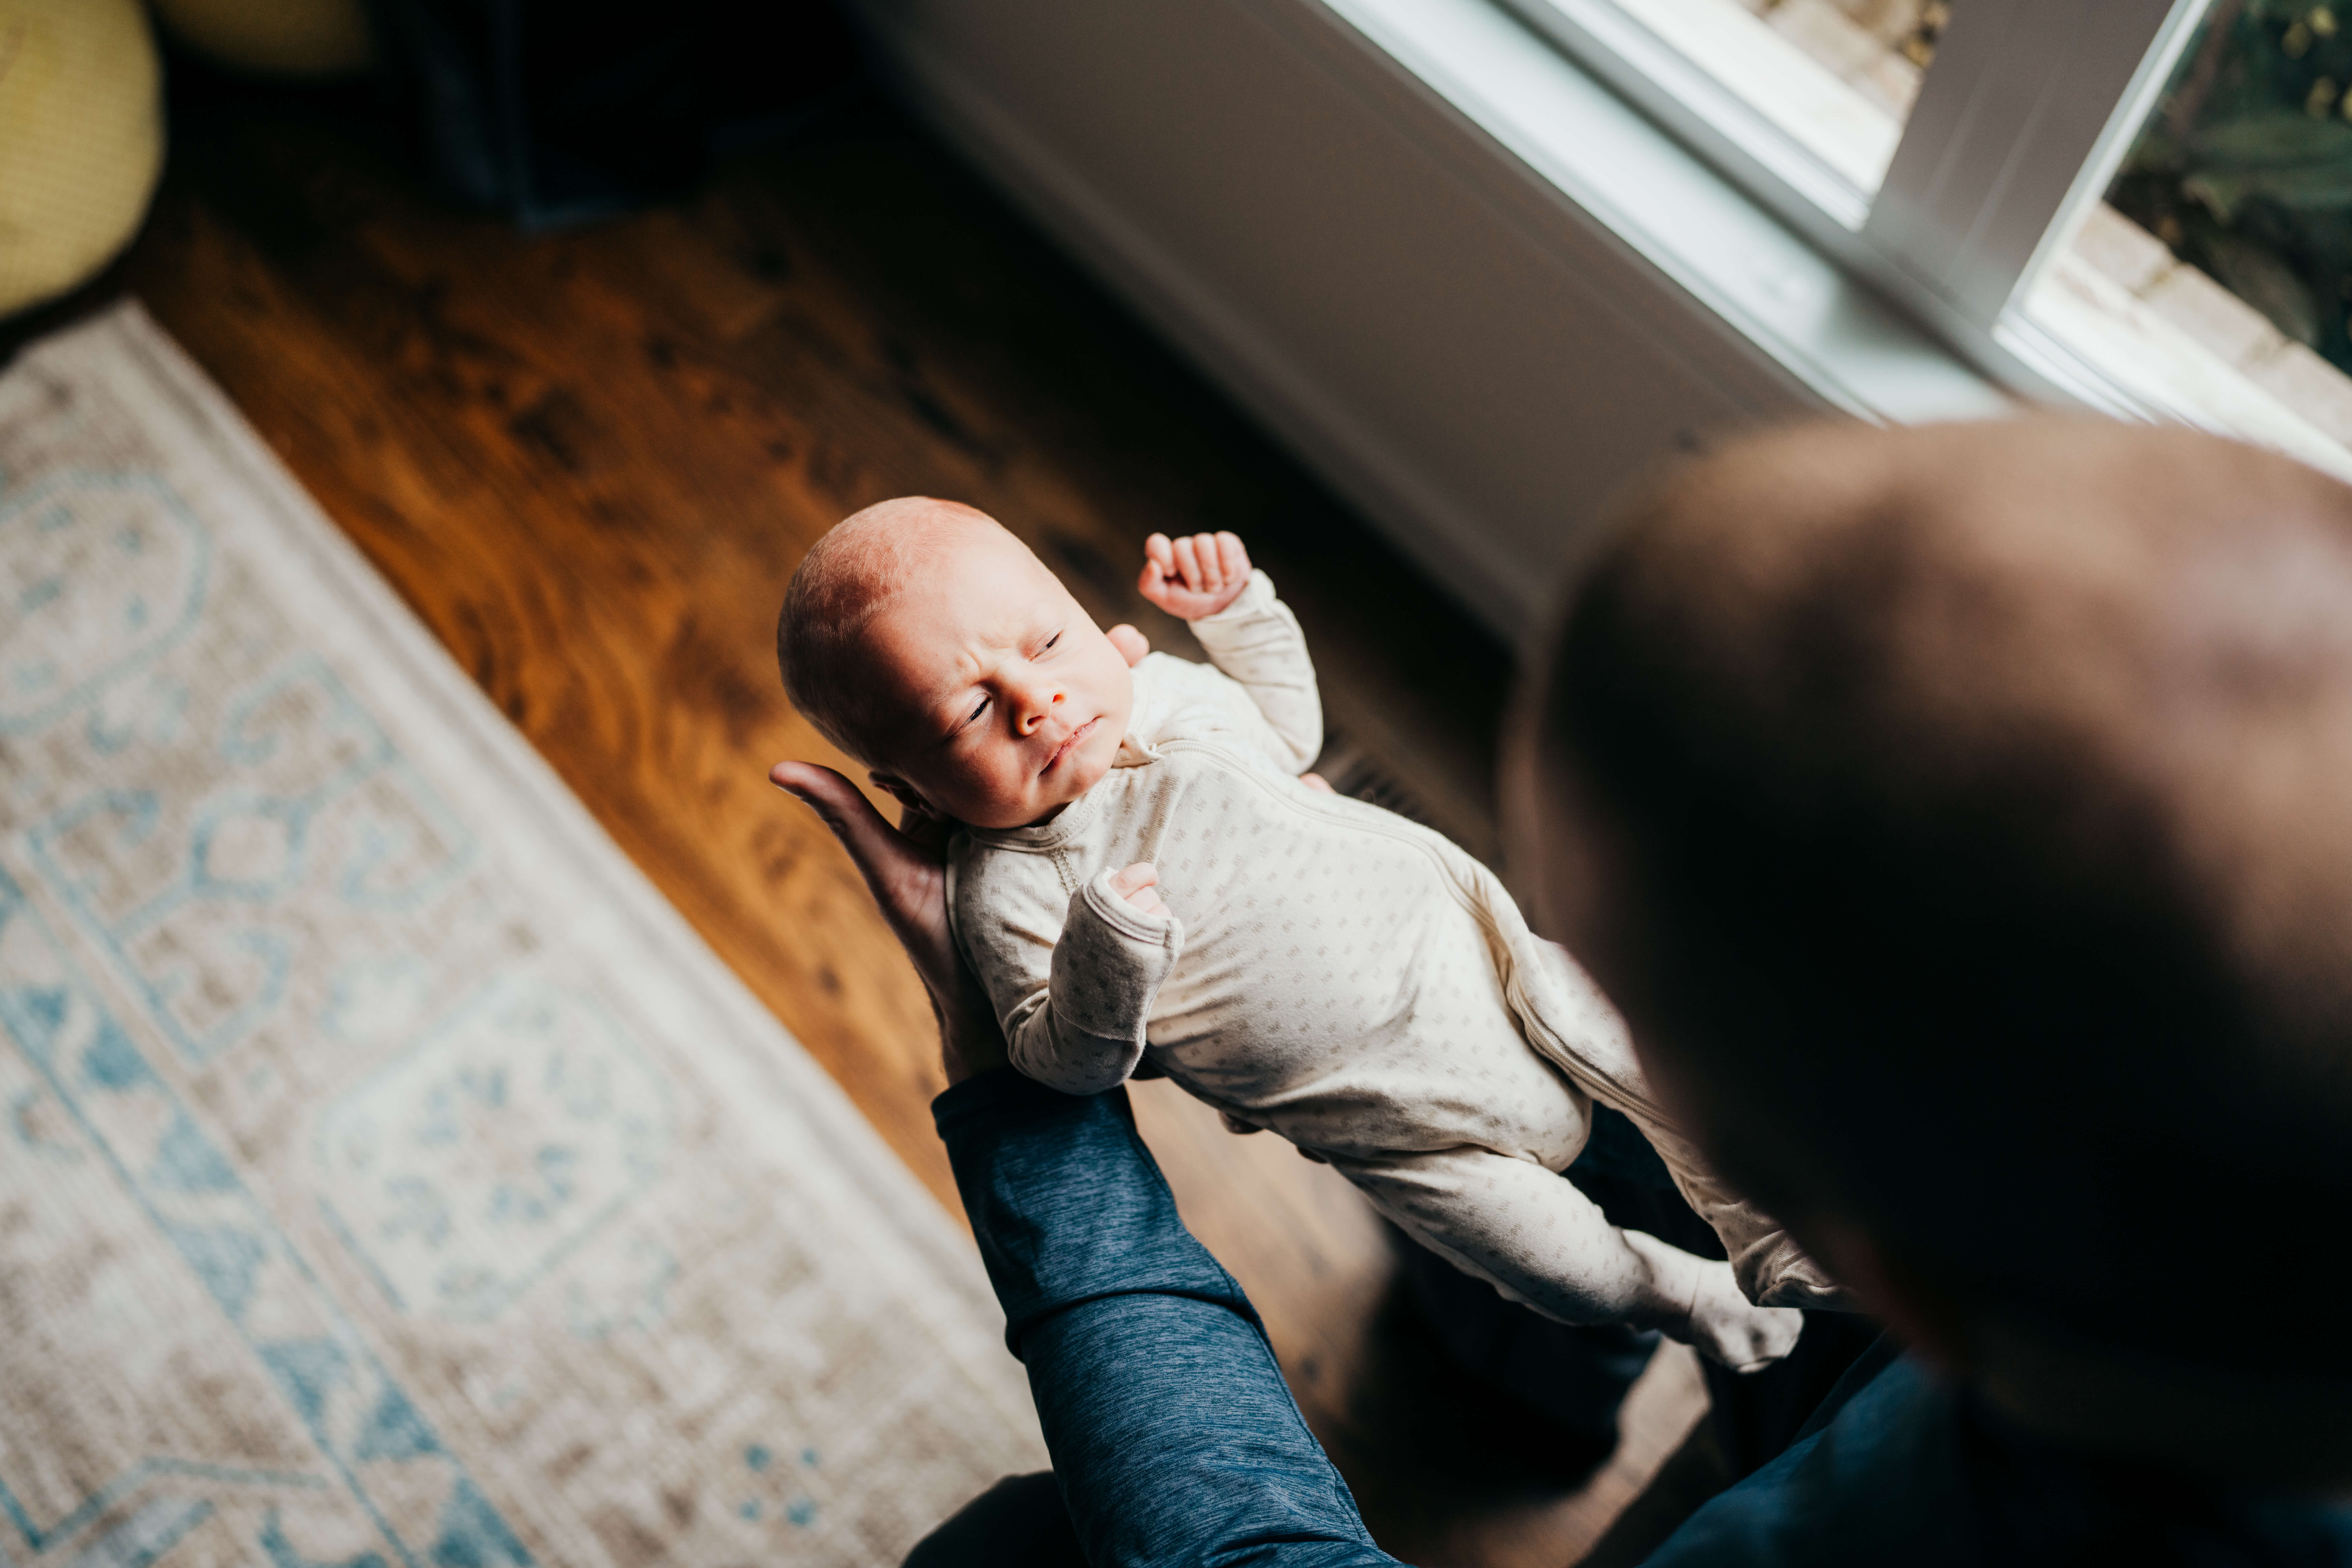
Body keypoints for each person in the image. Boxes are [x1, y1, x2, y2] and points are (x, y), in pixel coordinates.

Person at [774, 415, 2352, 1565]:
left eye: (1662, 992)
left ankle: (1562, 1370)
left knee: (1006, 1561)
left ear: (1889, 1269)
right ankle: (1533, 1386)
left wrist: (1004, 1099)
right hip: (1440, 1122)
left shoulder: (1840, 1531)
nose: (1041, 695)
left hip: (1621, 1216)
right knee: (1547, 1219)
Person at [772, 497, 1816, 1372]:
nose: (1037, 703)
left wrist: (1240, 616)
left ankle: (1777, 1225)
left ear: (1083, 618)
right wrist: (1105, 959)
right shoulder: (1006, 893)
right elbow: (1063, 1064)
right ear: (908, 789)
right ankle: (1676, 1295)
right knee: (1552, 1268)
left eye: (1046, 642)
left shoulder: (1162, 692)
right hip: (1392, 1125)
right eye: (967, 716)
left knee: (1667, 1076)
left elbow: (1289, 734)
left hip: (1490, 970)